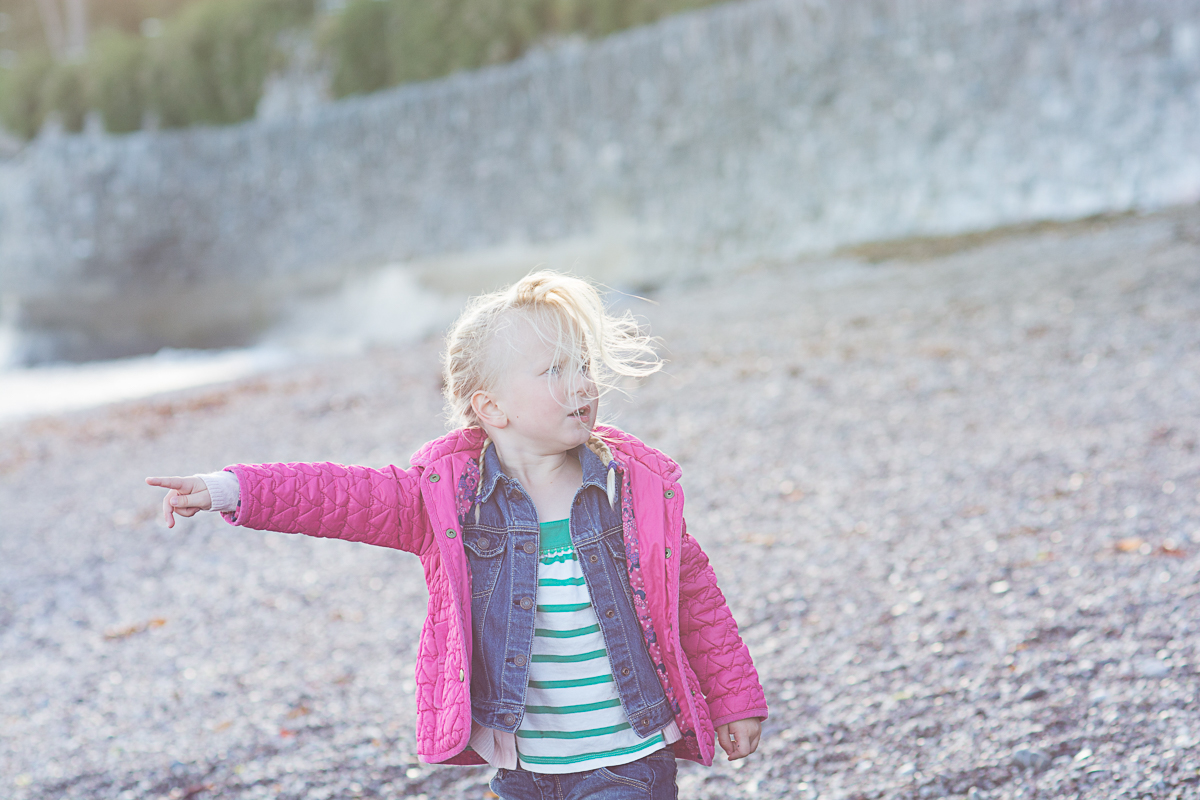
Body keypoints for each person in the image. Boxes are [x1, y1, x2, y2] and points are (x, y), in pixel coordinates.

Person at [147, 271, 767, 799]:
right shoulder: (447, 501)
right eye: (555, 371)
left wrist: (735, 699)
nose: (582, 384)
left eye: (583, 366)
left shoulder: (630, 492)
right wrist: (230, 488)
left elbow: (697, 599)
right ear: (491, 408)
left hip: (629, 759)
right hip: (524, 769)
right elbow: (335, 497)